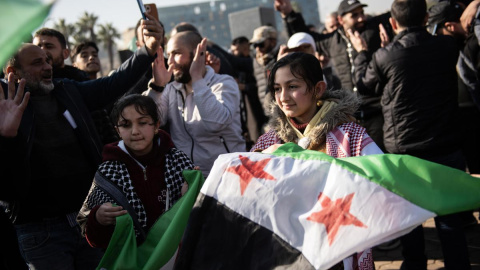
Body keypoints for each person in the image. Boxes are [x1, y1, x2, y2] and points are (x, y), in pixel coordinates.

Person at [0, 13, 162, 269]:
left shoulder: (68, 90)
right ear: (13, 72)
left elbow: (112, 84)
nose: (47, 67)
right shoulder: (2, 107)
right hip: (41, 232)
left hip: (89, 218)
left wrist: (145, 52)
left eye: (47, 60)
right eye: (36, 63)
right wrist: (7, 137)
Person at [350, 0, 471, 268]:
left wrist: (362, 54)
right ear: (427, 17)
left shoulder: (384, 55)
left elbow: (363, 85)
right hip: (447, 142)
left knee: (407, 214)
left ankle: (414, 264)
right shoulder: (446, 46)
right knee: (448, 213)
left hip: (405, 150)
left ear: (393, 23)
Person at [251, 52, 380, 269]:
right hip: (288, 250)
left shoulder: (350, 136)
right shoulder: (268, 141)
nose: (283, 97)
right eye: (277, 88)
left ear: (318, 89)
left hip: (338, 244)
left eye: (293, 86)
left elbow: (381, 178)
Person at [77, 94, 194, 248]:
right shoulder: (108, 172)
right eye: (126, 125)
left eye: (143, 122)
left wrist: (189, 195)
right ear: (117, 131)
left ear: (156, 125)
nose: (135, 131)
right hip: (133, 259)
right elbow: (92, 236)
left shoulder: (178, 161)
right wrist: (98, 218)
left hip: (177, 254)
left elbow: (200, 219)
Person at [275, 0, 392, 152]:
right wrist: (289, 14)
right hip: (348, 117)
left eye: (362, 13)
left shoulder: (374, 31)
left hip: (375, 114)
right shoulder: (332, 41)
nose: (361, 18)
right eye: (354, 15)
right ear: (340, 20)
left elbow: (403, 11)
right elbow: (306, 37)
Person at [144, 31, 246, 178]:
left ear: (199, 54)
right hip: (189, 180)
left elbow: (216, 123)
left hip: (228, 177)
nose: (170, 61)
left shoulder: (224, 83)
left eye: (177, 53)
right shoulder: (171, 88)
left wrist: (197, 79)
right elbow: (150, 120)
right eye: (169, 55)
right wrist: (157, 86)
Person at [71, 40, 119, 145]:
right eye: (84, 55)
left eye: (95, 54)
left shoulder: (107, 89)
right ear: (74, 65)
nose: (91, 58)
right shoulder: (75, 93)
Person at [250, 25, 279, 117]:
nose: (257, 48)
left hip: (281, 107)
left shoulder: (281, 57)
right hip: (265, 111)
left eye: (261, 44)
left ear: (273, 41)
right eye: (255, 45)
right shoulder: (256, 60)